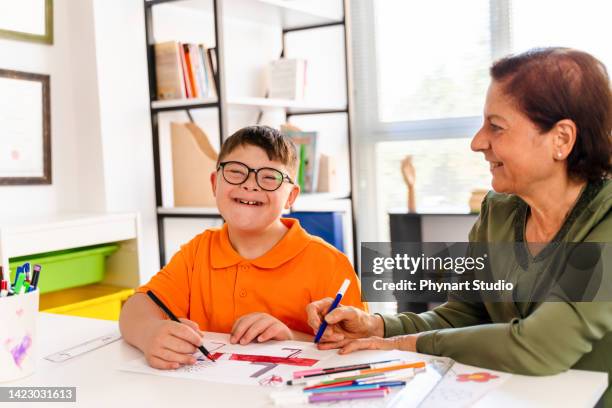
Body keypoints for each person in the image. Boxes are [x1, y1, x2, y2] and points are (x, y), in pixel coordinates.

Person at [306, 48, 612, 405]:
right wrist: (378, 326)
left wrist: (407, 343)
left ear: (561, 139)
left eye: (496, 126)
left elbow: (539, 347)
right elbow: (463, 314)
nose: (477, 142)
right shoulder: (498, 213)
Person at [120, 125, 366, 370]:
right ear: (215, 183)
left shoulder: (331, 265)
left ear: (291, 196)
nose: (250, 184)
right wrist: (150, 333)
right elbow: (136, 308)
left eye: (269, 176)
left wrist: (290, 337)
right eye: (236, 172)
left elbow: (361, 347)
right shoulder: (196, 252)